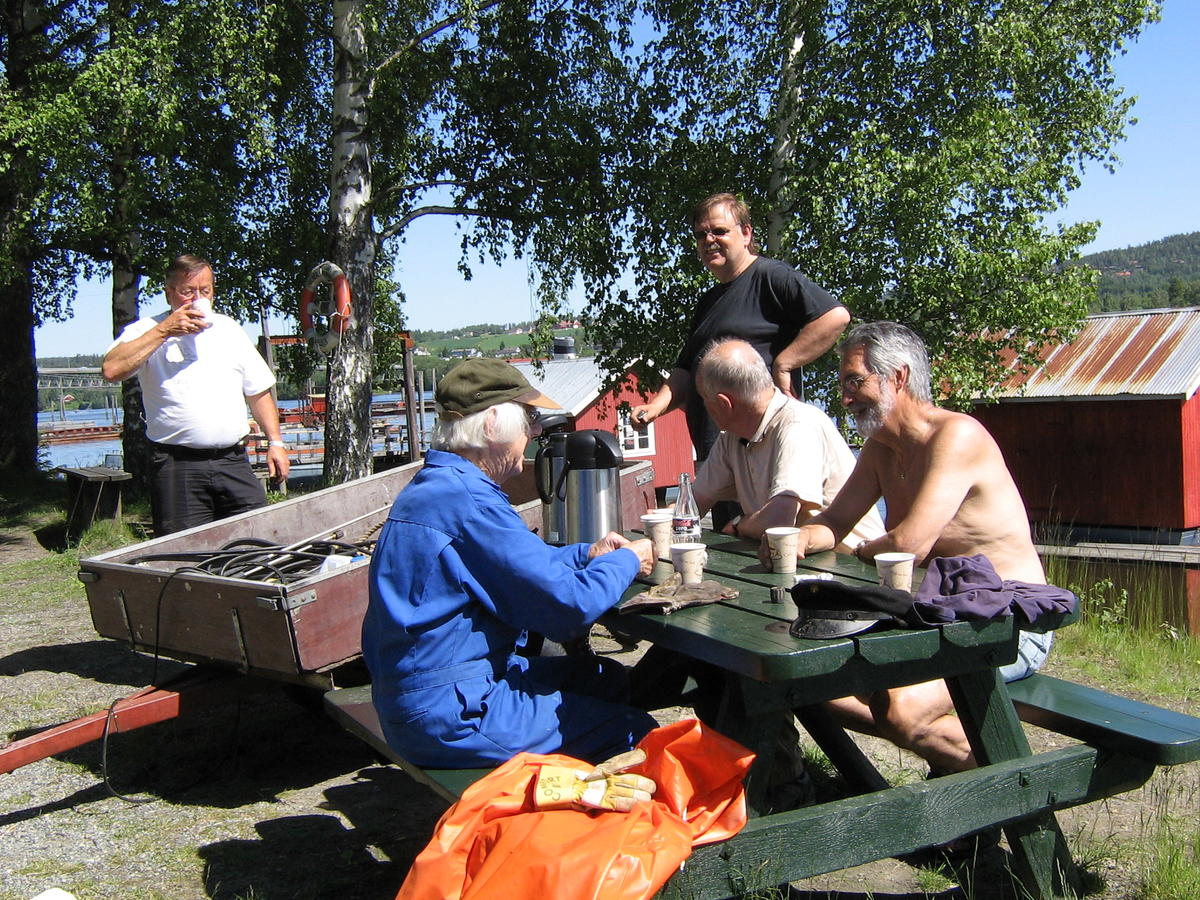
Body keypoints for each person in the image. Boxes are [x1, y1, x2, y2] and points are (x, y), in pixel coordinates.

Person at [782, 321, 1055, 773]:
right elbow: (833, 522)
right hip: (940, 617)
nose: (845, 397)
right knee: (811, 678)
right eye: (843, 385)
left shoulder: (957, 435)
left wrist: (862, 547)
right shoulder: (881, 448)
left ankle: (1022, 785)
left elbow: (909, 543)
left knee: (901, 710)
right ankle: (967, 796)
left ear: (899, 377)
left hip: (1009, 622)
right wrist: (795, 542)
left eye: (855, 380)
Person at [362, 357, 659, 768]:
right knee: (637, 730)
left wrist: (586, 554)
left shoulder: (437, 487)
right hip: (456, 713)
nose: (536, 432)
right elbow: (567, 609)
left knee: (602, 679)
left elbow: (516, 564)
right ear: (491, 426)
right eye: (529, 418)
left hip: (427, 696)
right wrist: (627, 558)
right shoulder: (469, 503)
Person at [631, 192, 850, 463]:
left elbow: (834, 316)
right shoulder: (708, 302)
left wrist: (785, 363)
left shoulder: (772, 277)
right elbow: (686, 369)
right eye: (701, 235)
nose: (709, 240)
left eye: (719, 231)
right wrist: (654, 407)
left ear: (746, 234)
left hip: (763, 453)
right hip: (717, 456)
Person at [102, 254, 289, 535]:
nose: (197, 299)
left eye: (205, 291)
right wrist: (165, 330)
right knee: (184, 554)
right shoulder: (146, 331)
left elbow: (258, 391)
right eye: (188, 291)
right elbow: (112, 369)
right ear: (169, 293)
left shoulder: (229, 330)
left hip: (233, 460)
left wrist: (276, 442)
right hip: (178, 465)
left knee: (256, 541)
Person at [691, 337, 884, 550]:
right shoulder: (732, 437)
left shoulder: (798, 425)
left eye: (704, 400)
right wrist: (655, 526)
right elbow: (693, 503)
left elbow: (779, 522)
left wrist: (741, 524)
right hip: (802, 565)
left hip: (854, 567)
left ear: (723, 404)